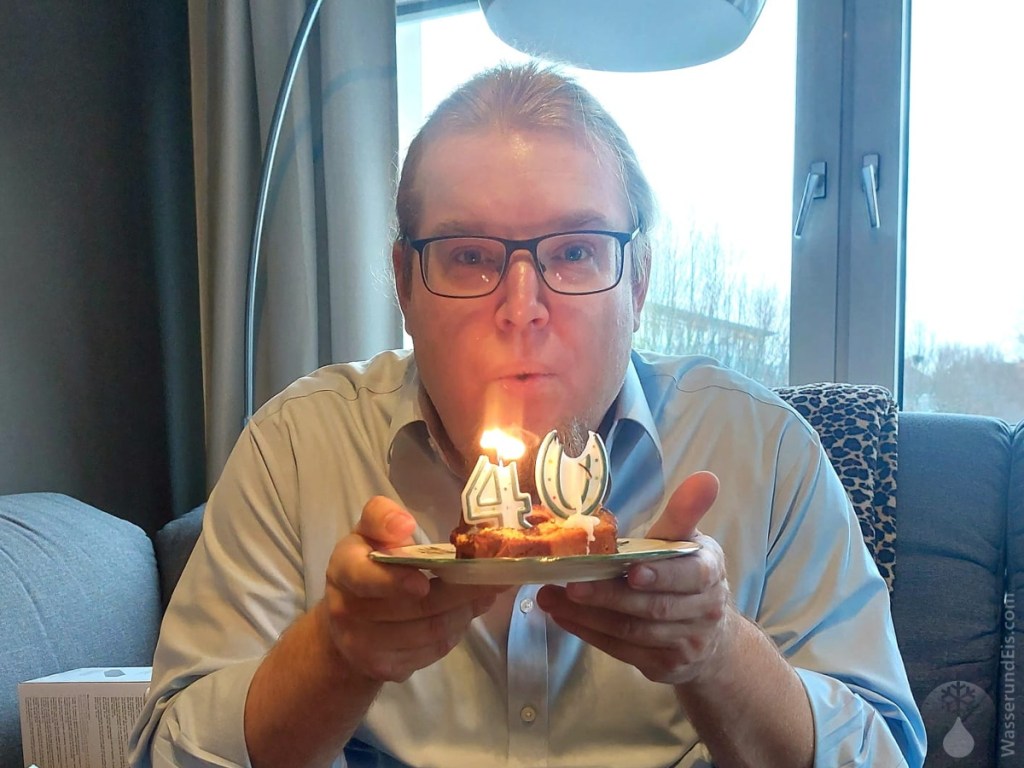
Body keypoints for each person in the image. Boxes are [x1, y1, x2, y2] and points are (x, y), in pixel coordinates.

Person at [130, 62, 926, 768]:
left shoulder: (765, 452)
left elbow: (885, 753)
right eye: (469, 256)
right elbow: (169, 752)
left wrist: (718, 653)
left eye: (575, 252)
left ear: (638, 283)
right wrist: (334, 657)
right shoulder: (297, 448)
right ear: (404, 284)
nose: (521, 308)